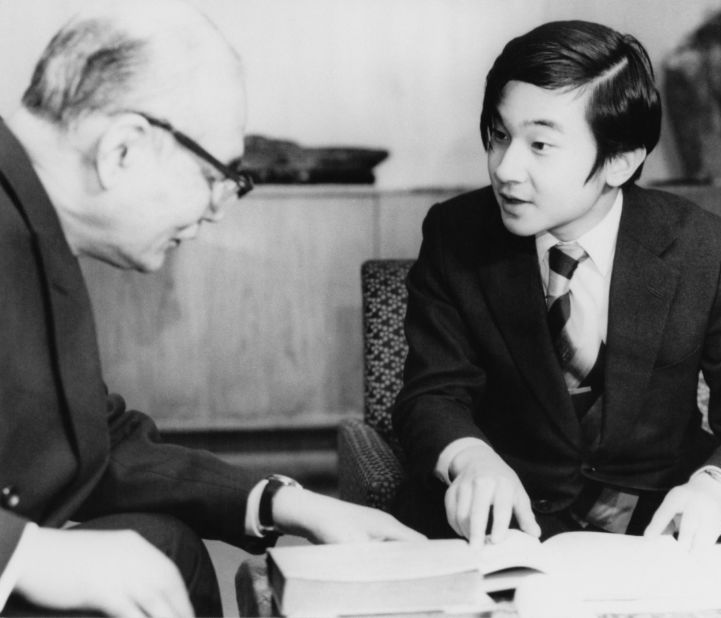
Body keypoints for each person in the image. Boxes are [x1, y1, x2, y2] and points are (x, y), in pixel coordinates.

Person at [0, 2, 422, 617]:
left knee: (167, 546)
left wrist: (289, 502)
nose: (220, 209)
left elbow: (90, 436)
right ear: (124, 150)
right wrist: (29, 555)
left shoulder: (33, 222)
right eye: (217, 176)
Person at [391, 19, 721, 553]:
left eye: (540, 144)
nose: (506, 169)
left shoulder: (704, 247)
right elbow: (431, 393)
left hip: (663, 511)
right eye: (500, 136)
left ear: (621, 160)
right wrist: (470, 459)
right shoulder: (455, 233)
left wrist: (714, 490)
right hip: (513, 513)